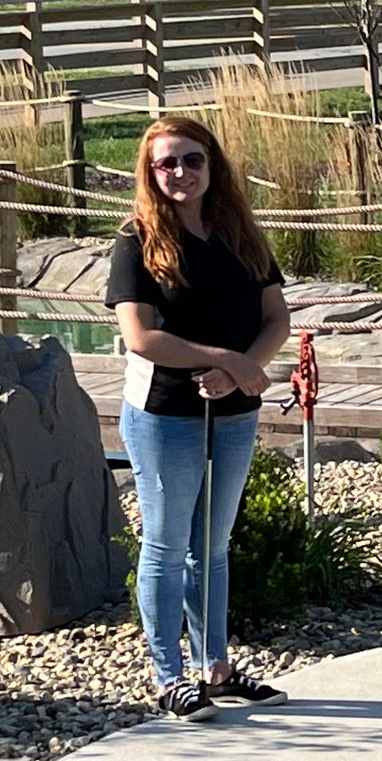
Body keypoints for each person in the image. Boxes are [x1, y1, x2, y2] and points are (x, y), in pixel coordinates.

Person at [108, 117, 292, 722]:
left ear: (213, 165)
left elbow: (275, 319)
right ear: (150, 171)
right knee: (165, 544)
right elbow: (141, 336)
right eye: (167, 164)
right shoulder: (136, 241)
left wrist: (242, 372)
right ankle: (168, 676)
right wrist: (226, 360)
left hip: (235, 413)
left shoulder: (242, 235)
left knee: (212, 547)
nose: (181, 173)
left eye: (192, 160)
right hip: (166, 414)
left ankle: (215, 668)